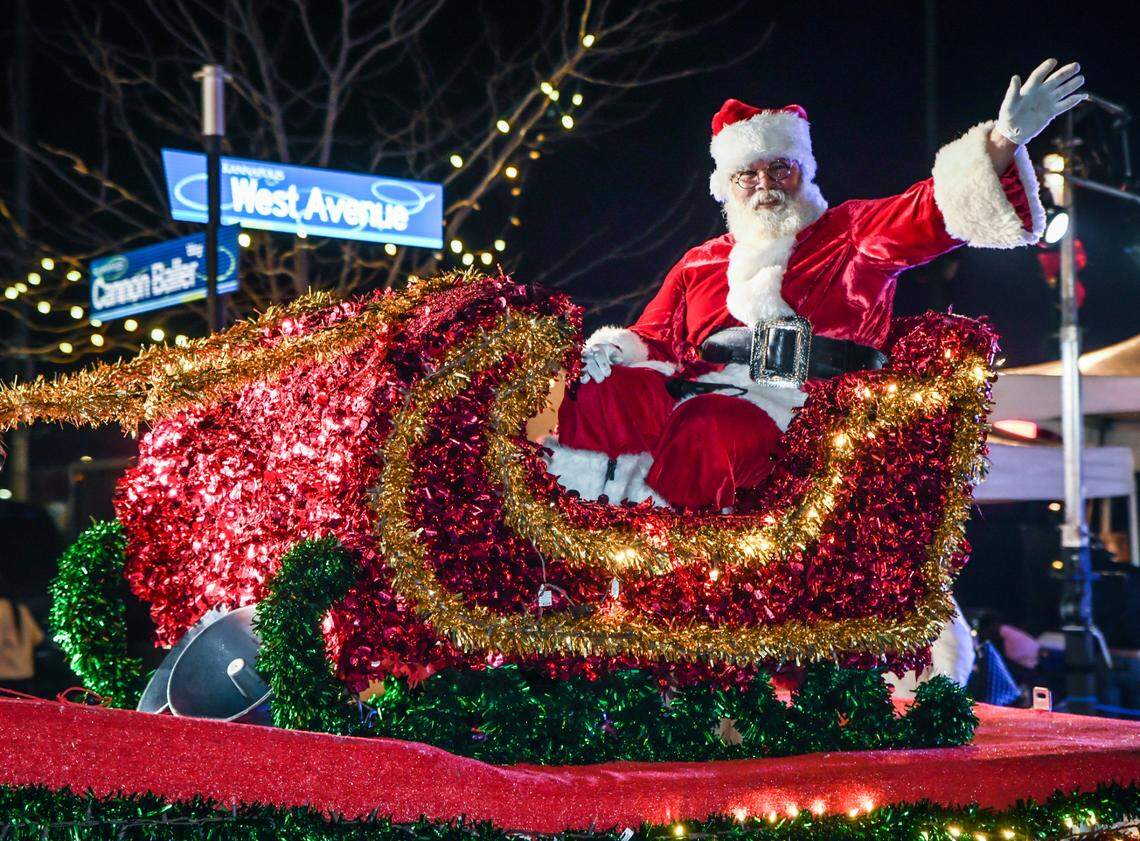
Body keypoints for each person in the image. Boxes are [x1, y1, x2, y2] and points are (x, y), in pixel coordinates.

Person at [546, 59, 1086, 511]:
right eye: (747, 175)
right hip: (699, 387)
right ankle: (574, 544)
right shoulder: (701, 262)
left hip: (802, 405)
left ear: (803, 170)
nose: (764, 185)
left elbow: (930, 212)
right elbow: (655, 336)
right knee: (593, 393)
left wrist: (1001, 139)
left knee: (705, 427)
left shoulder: (850, 233)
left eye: (779, 169)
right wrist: (607, 353)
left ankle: (671, 575)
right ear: (727, 187)